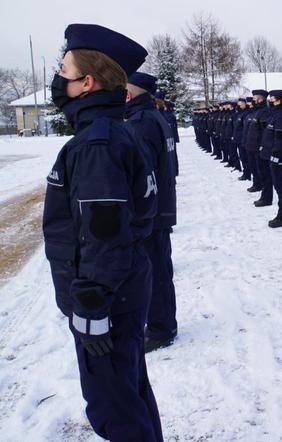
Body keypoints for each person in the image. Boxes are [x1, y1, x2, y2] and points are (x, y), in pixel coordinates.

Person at [42, 23, 163, 441]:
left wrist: (92, 308)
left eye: (64, 72)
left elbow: (104, 236)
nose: (58, 82)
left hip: (107, 300)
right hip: (122, 291)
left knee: (115, 410)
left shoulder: (96, 145)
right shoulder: (111, 133)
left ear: (87, 82)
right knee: (130, 393)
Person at [125, 72, 179, 353]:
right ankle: (163, 323)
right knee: (160, 269)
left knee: (155, 272)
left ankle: (161, 328)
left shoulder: (141, 123)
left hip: (151, 211)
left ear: (131, 94)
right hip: (159, 208)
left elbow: (142, 173)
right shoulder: (153, 117)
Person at [265, 90, 282, 227]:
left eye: (272, 99)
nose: (270, 101)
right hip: (273, 155)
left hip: (278, 157)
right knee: (277, 184)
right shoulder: (275, 114)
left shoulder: (281, 116)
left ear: (279, 100)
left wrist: (275, 155)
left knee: (280, 186)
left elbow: (280, 139)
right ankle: (281, 214)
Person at [244, 90, 270, 195]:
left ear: (260, 99)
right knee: (254, 167)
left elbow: (264, 131)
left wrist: (262, 146)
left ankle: (265, 191)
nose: (252, 101)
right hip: (251, 145)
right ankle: (257, 184)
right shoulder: (256, 111)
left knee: (262, 171)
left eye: (254, 99)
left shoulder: (264, 112)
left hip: (258, 147)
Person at [233, 98, 250, 176]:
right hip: (238, 139)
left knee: (245, 158)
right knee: (242, 157)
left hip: (243, 140)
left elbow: (245, 128)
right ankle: (245, 172)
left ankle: (247, 173)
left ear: (244, 104)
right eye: (238, 104)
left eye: (241, 104)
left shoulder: (246, 113)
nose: (239, 105)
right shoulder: (239, 114)